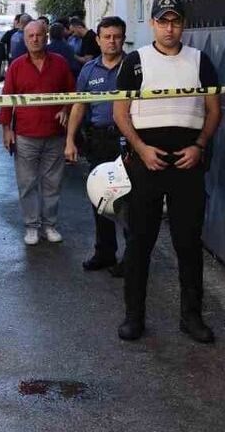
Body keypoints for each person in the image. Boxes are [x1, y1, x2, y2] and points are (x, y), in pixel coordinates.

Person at [113, 0, 222, 344]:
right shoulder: (135, 62)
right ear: (153, 24)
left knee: (188, 244)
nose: (169, 27)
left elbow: (214, 110)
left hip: (187, 165)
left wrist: (198, 146)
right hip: (146, 164)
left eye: (175, 21)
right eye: (163, 21)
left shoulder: (200, 61)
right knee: (139, 243)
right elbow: (120, 113)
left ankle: (191, 318)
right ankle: (134, 317)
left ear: (183, 24)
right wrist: (141, 149)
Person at [0, 20, 75, 245]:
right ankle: (31, 226)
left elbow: (73, 93)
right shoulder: (16, 67)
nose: (35, 39)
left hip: (55, 135)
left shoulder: (60, 64)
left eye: (39, 35)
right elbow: (6, 100)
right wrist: (6, 129)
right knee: (27, 184)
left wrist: (65, 109)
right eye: (30, 35)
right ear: (24, 39)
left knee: (53, 184)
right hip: (25, 136)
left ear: (46, 37)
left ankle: (49, 225)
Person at [65, 16, 128, 276]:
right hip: (100, 140)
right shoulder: (89, 70)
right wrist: (70, 140)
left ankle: (131, 258)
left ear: (123, 39)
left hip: (130, 141)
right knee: (101, 198)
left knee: (131, 202)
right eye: (107, 37)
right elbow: (80, 105)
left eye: (117, 37)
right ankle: (105, 253)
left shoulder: (134, 67)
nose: (112, 41)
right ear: (99, 40)